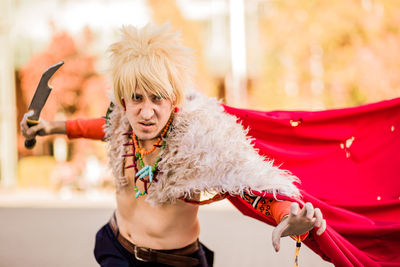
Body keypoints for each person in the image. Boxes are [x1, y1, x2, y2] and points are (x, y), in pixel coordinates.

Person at [20, 23, 326, 267]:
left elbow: (247, 180)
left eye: (157, 98)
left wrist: (285, 215)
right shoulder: (121, 126)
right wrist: (50, 127)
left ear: (174, 99)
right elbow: (98, 126)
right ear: (123, 101)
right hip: (116, 249)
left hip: (177, 262)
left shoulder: (200, 142)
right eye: (137, 98)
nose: (147, 111)